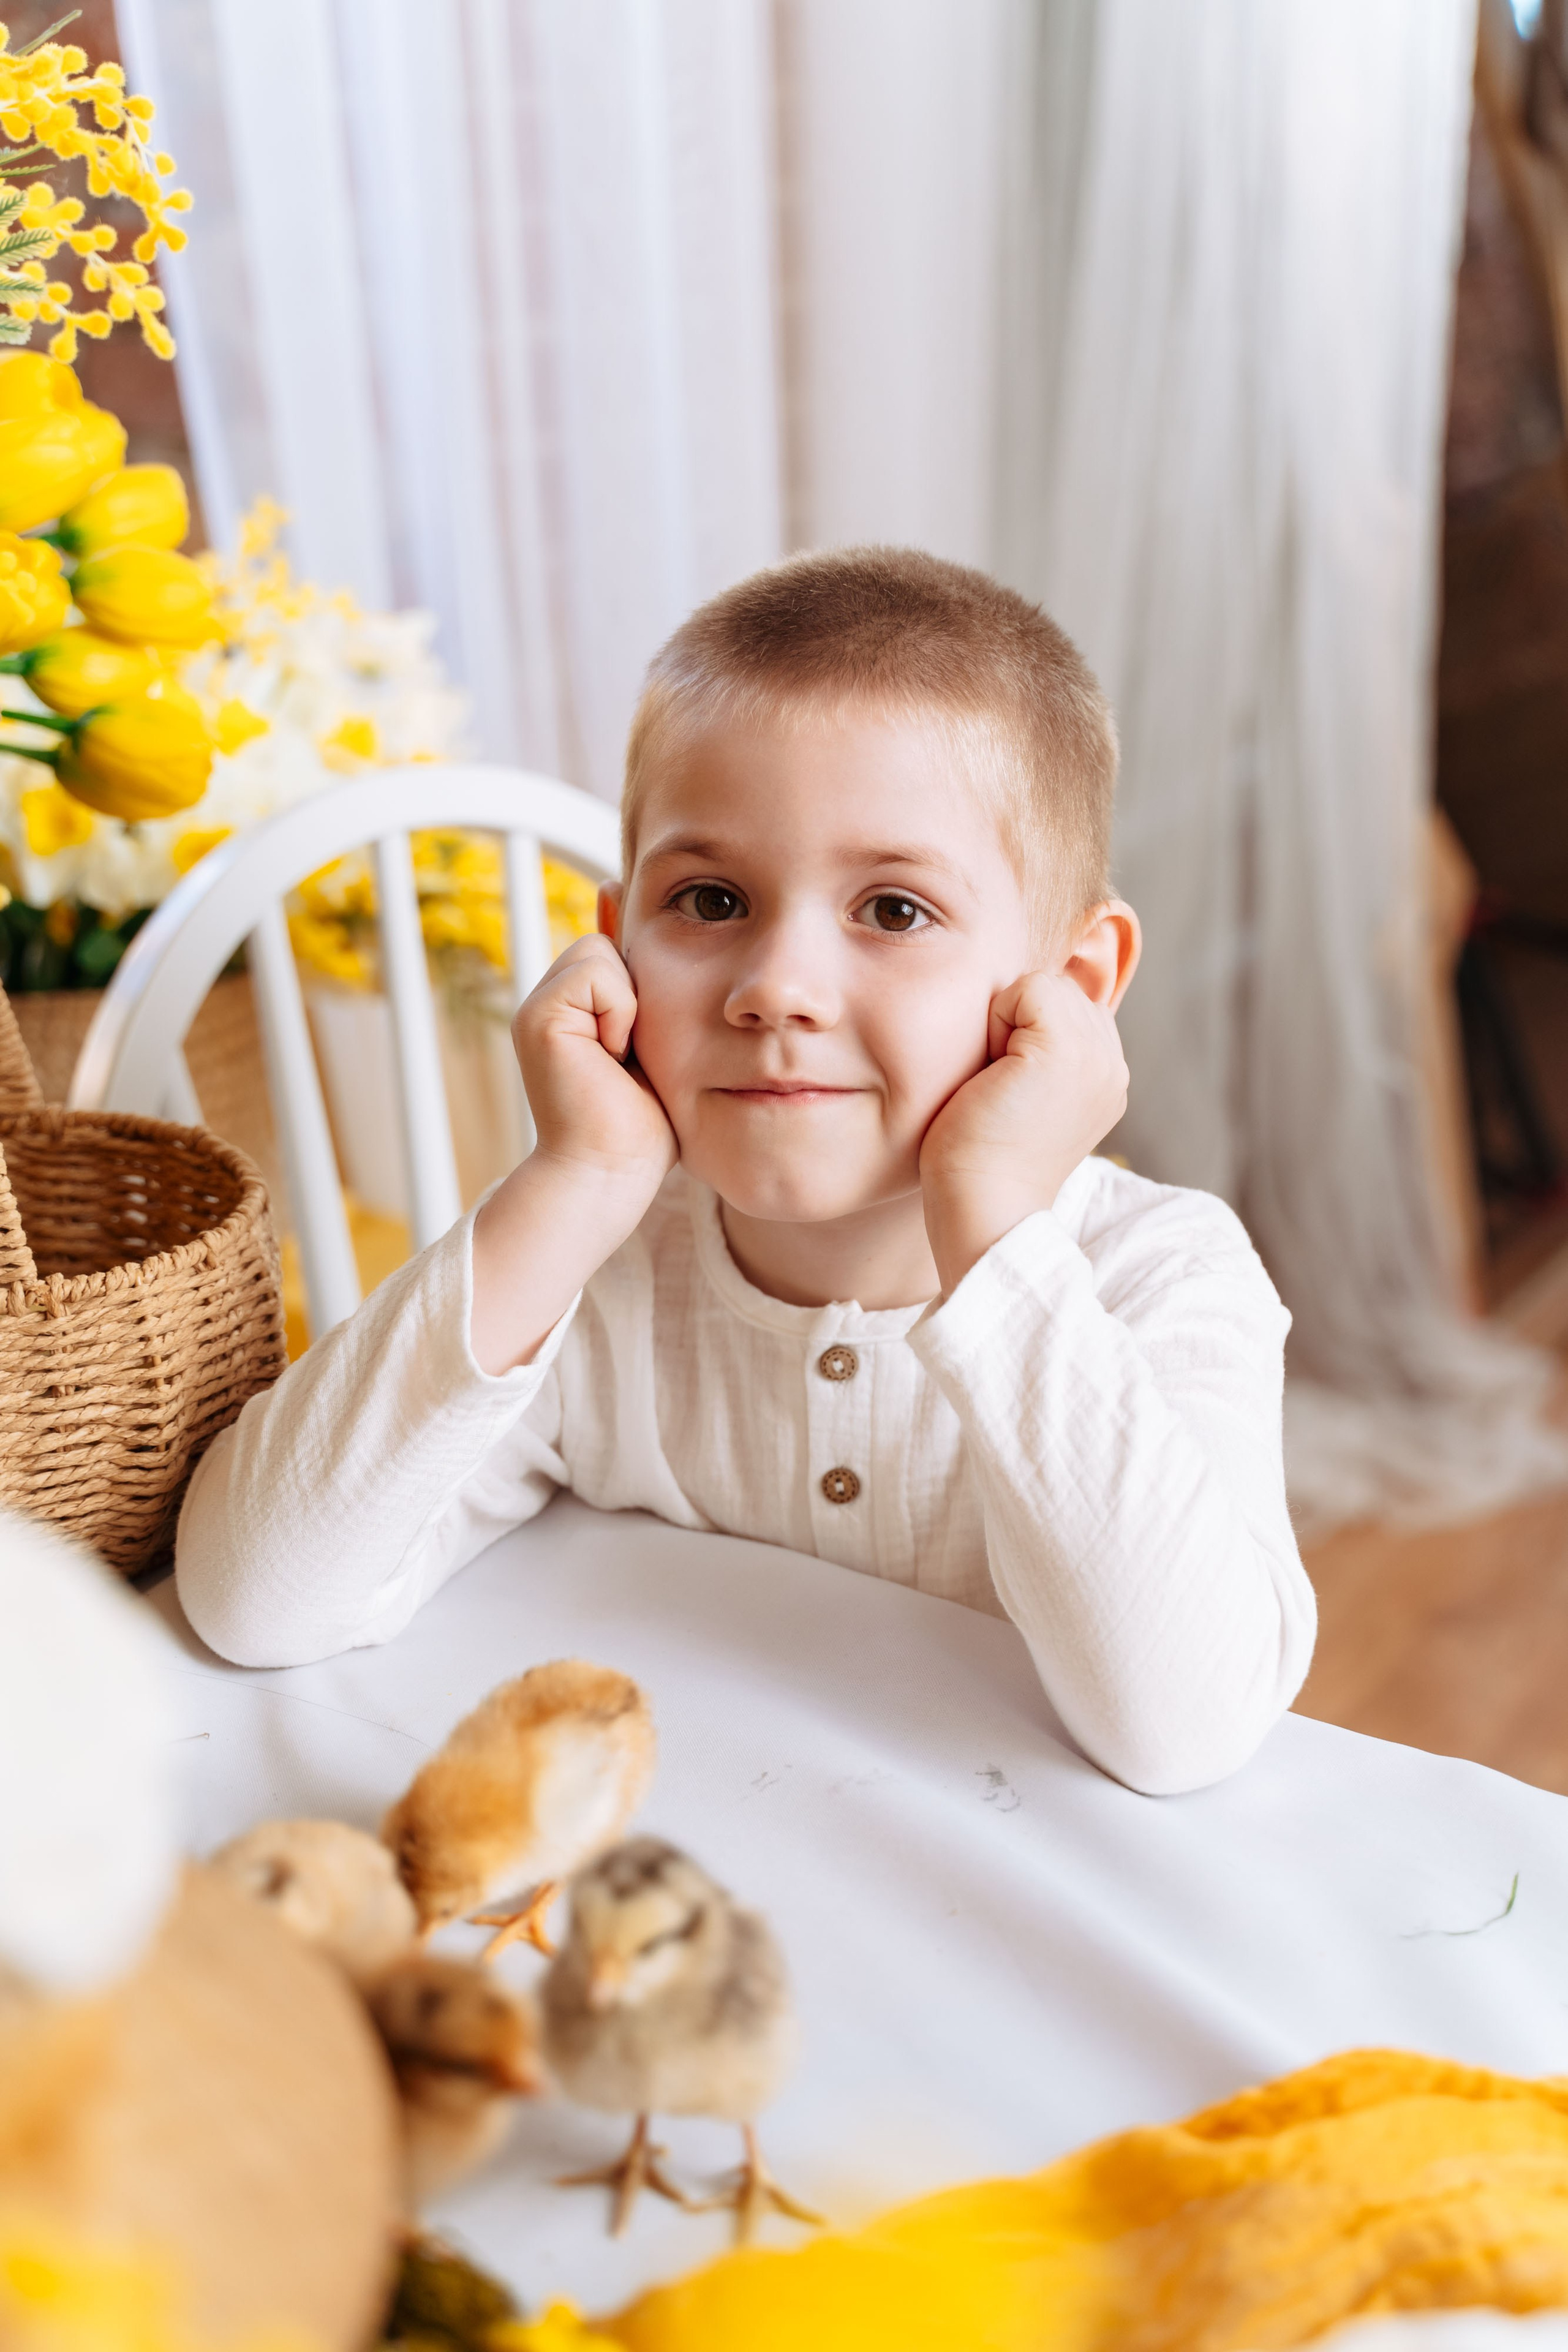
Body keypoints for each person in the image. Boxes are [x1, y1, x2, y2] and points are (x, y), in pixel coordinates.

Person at [176, 548, 1314, 1795]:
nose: (774, 986)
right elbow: (254, 1601)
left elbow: (1183, 1732)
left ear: (1075, 988)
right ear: (613, 950)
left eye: (892, 911)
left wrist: (989, 1217)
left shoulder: (1159, 1277)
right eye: (710, 899)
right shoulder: (594, 1263)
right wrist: (577, 1183)